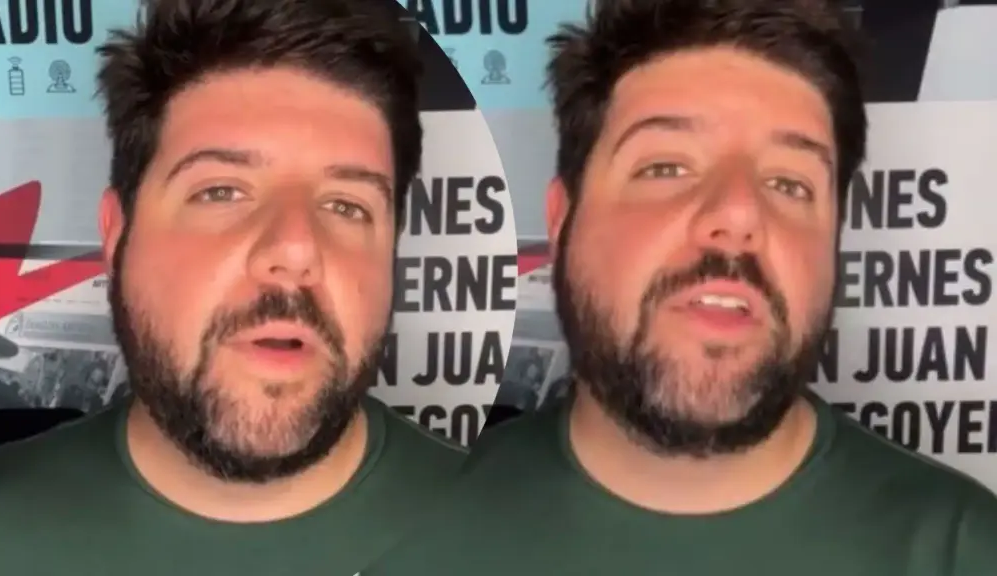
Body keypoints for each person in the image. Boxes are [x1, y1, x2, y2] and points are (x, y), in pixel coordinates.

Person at [360, 1, 997, 574]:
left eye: (790, 183)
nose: (739, 213)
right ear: (561, 222)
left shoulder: (966, 550)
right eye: (666, 167)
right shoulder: (393, 540)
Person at [0, 1, 464, 574]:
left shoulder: (506, 534)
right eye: (221, 192)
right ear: (117, 236)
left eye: (346, 205)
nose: (296, 250)